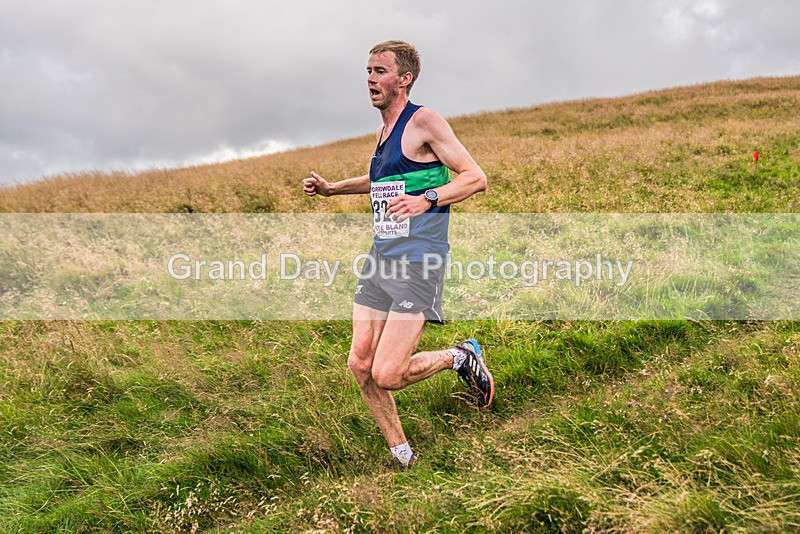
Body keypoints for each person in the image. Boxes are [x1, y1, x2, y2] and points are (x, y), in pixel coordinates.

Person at [302, 40, 494, 469]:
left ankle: (460, 356)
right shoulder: (383, 132)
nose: (370, 78)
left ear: (404, 79)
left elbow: (475, 178)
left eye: (380, 71)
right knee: (360, 365)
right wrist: (333, 188)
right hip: (380, 257)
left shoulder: (423, 120)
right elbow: (383, 184)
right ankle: (402, 454)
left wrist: (428, 198)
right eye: (368, 70)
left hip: (419, 260)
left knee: (388, 373)